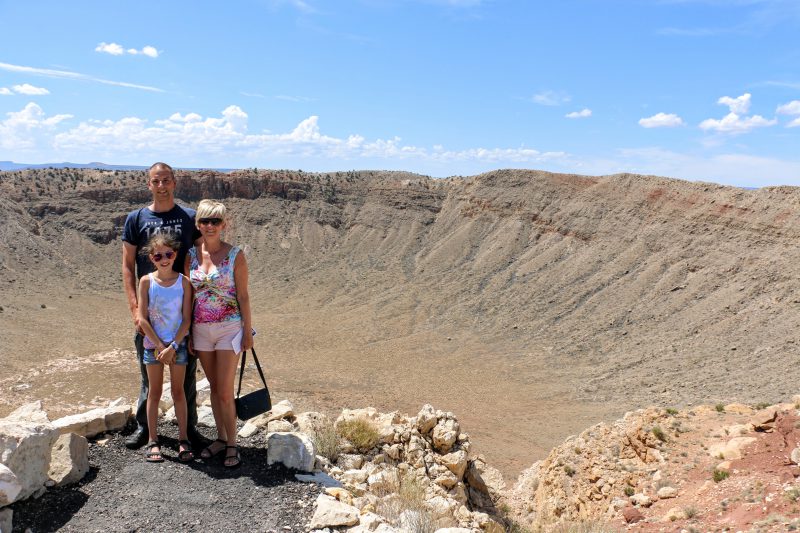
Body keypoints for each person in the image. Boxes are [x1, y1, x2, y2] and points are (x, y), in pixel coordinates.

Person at [121, 162, 203, 449]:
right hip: (150, 313)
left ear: (174, 183)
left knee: (186, 376)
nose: (161, 186)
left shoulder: (189, 217)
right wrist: (134, 308)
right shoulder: (136, 218)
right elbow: (128, 266)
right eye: (156, 181)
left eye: (166, 180)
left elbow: (201, 259)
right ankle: (146, 429)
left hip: (181, 313)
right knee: (149, 376)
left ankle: (188, 430)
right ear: (149, 184)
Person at [187, 199, 253, 468]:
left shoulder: (235, 255)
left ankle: (233, 444)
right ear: (198, 224)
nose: (210, 226)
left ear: (224, 224)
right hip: (201, 329)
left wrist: (247, 331)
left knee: (225, 390)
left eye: (215, 221)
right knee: (214, 389)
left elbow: (244, 295)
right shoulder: (190, 255)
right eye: (205, 221)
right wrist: (188, 332)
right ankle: (221, 437)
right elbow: (188, 295)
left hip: (229, 328)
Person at [137, 234, 194, 462]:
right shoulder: (146, 282)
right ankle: (153, 440)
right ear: (152, 258)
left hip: (176, 346)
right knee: (154, 392)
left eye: (168, 254)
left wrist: (172, 346)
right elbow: (142, 318)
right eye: (158, 255)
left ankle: (183, 439)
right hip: (153, 346)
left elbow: (187, 319)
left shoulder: (184, 283)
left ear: (175, 255)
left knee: (179, 392)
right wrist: (161, 346)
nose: (164, 259)